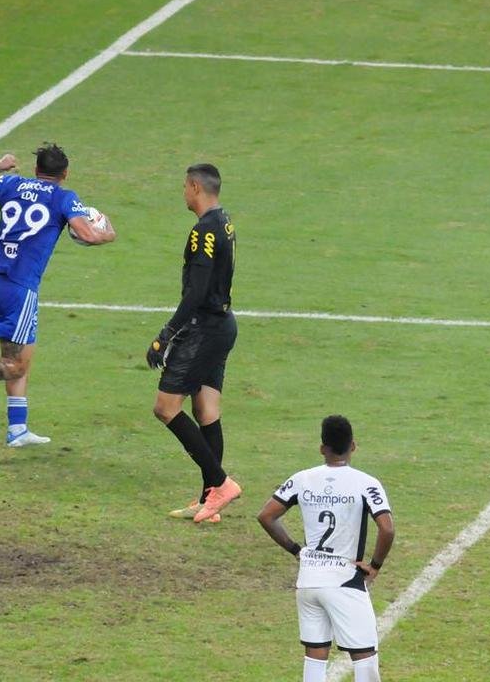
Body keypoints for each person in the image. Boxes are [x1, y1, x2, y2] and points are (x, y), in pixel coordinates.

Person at [0, 142, 115, 446]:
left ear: (37, 169)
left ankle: (17, 430)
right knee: (16, 365)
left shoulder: (11, 183)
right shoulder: (64, 197)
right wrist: (108, 234)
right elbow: (88, 234)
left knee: (16, 356)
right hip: (19, 287)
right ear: (65, 173)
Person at [257, 415, 396, 682]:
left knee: (315, 654)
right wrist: (375, 566)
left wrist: (297, 550)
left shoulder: (302, 479)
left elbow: (266, 516)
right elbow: (387, 529)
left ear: (322, 448)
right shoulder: (366, 483)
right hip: (344, 580)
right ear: (353, 446)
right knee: (364, 655)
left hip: (308, 581)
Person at [146, 162, 240, 523]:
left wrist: (166, 334)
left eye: (185, 186)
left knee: (165, 407)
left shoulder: (203, 231)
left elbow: (196, 292)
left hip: (204, 330)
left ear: (196, 187)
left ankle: (221, 484)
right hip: (222, 325)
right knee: (206, 411)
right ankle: (209, 501)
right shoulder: (224, 221)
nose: (183, 192)